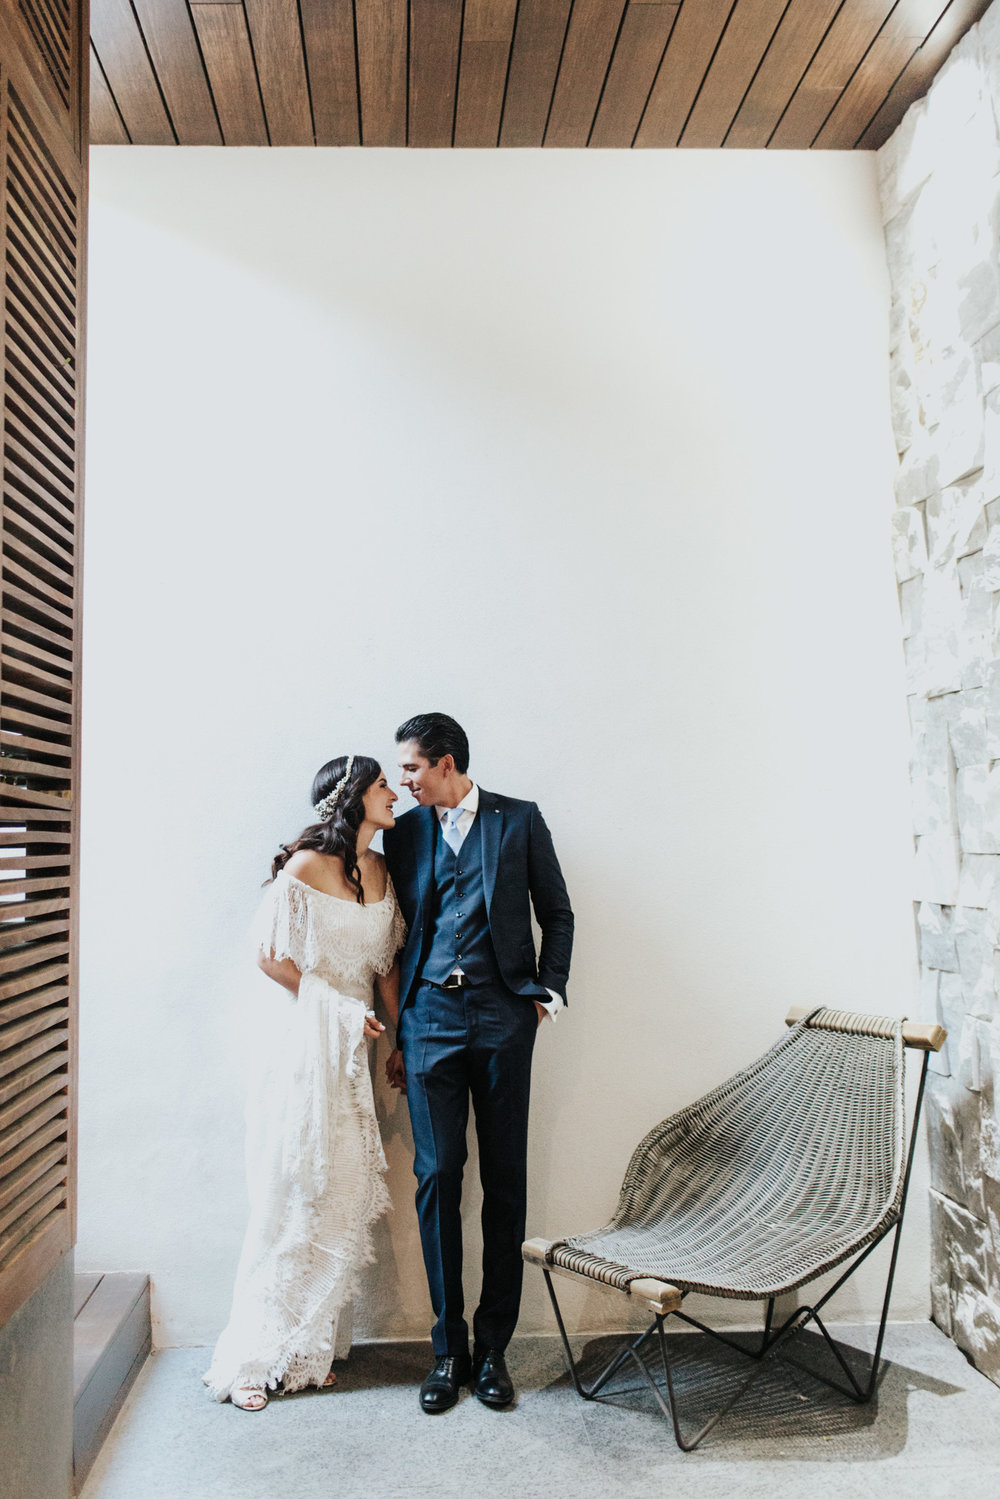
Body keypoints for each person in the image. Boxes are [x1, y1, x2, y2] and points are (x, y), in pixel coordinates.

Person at [382, 713, 573, 1413]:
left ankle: (494, 1350)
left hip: (502, 1016)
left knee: (504, 1179)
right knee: (436, 1177)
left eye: (410, 767)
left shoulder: (518, 820)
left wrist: (544, 995)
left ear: (445, 761)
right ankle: (447, 1348)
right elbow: (384, 917)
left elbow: (557, 911)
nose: (402, 780)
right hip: (429, 1019)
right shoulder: (404, 833)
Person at [204, 755, 405, 1410]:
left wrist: (396, 1039)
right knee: (296, 1195)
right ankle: (252, 1362)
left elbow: (384, 967)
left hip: (360, 1049)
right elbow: (270, 955)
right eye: (382, 783)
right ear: (352, 796)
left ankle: (308, 1351)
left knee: (342, 1197)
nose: (394, 790)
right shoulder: (305, 864)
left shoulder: (379, 867)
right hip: (309, 1044)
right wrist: (339, 1010)